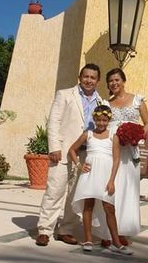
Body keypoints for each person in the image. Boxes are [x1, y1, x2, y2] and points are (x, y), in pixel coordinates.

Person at [35, 63, 105, 246]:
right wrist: (54, 147)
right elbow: (54, 121)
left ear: (97, 81)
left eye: (93, 78)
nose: (89, 80)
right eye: (86, 76)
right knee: (54, 191)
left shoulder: (102, 102)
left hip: (86, 155)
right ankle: (44, 230)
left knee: (76, 194)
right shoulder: (65, 94)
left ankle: (66, 230)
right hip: (64, 151)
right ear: (80, 78)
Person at [69, 105, 133, 255]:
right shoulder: (88, 134)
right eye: (98, 120)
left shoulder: (113, 136)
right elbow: (72, 149)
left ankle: (116, 242)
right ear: (94, 119)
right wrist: (79, 165)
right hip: (90, 175)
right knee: (88, 205)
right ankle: (88, 240)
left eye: (104, 120)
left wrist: (111, 181)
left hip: (105, 175)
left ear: (108, 120)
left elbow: (116, 160)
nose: (101, 123)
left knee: (109, 208)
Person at [106, 68, 148, 244]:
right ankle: (107, 231)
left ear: (123, 81)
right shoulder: (106, 103)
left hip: (130, 150)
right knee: (111, 188)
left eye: (117, 80)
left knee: (127, 189)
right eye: (110, 81)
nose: (114, 83)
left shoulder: (137, 100)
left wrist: (136, 135)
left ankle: (122, 230)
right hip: (111, 149)